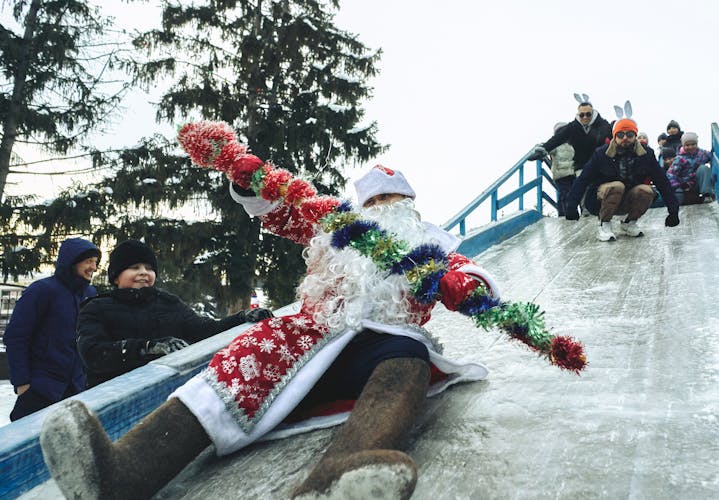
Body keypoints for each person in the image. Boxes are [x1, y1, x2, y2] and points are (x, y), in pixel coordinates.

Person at [40, 121, 586, 500]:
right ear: (359, 204)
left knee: (405, 368)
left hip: (386, 339)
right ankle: (121, 472)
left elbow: (472, 279)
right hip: (310, 333)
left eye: (396, 201)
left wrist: (464, 285)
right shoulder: (331, 227)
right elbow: (279, 211)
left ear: (412, 205)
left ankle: (338, 477)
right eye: (375, 201)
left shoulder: (431, 241)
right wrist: (243, 174)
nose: (386, 209)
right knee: (234, 366)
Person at [76, 239, 274, 387]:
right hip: (113, 397)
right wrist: (147, 347)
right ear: (116, 277)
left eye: (149, 268)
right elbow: (93, 354)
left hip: (166, 392)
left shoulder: (167, 302)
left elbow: (203, 329)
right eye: (134, 267)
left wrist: (241, 318)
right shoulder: (96, 307)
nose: (144, 272)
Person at [3, 238, 100, 421]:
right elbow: (16, 337)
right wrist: (22, 383)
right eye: (88, 261)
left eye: (95, 262)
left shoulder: (90, 294)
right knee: (26, 443)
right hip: (41, 388)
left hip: (75, 388)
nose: (93, 267)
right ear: (72, 261)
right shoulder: (42, 291)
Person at [565, 116, 680, 241]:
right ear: (614, 136)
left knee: (646, 190)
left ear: (635, 136)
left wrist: (673, 211)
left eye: (629, 134)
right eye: (620, 134)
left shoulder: (646, 154)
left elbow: (662, 181)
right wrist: (571, 205)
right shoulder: (601, 154)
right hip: (601, 201)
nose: (625, 138)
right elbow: (583, 179)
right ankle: (605, 225)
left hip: (628, 200)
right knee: (617, 186)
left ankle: (629, 223)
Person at [528, 96, 612, 218]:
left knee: (601, 188)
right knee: (583, 185)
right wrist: (544, 149)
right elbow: (558, 137)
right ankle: (586, 212)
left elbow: (614, 136)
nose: (585, 118)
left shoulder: (602, 125)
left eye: (588, 114)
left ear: (592, 113)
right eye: (582, 115)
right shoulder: (573, 126)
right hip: (581, 164)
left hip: (599, 163)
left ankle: (605, 211)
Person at [666, 132, 714, 204]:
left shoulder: (702, 154)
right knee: (678, 195)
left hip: (697, 184)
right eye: (687, 145)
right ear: (683, 145)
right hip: (684, 186)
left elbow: (712, 156)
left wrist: (714, 157)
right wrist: (679, 185)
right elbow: (670, 175)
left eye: (693, 144)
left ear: (697, 144)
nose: (691, 147)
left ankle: (706, 194)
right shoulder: (680, 158)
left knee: (703, 168)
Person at [548, 122, 576, 216]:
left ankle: (573, 214)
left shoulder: (572, 144)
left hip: (572, 173)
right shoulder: (556, 144)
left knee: (574, 194)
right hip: (561, 174)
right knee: (564, 194)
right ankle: (563, 214)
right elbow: (548, 149)